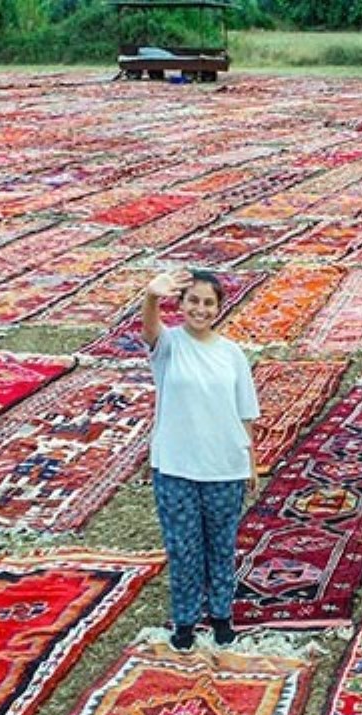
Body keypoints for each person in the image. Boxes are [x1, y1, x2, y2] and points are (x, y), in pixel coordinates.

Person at [142, 267, 260, 652]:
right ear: (181, 304)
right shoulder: (170, 345)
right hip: (175, 466)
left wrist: (251, 461)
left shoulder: (232, 354)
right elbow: (149, 331)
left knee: (221, 545)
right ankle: (186, 620)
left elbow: (245, 412)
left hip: (224, 465)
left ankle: (222, 614)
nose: (200, 309)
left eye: (208, 302)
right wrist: (150, 296)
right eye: (193, 300)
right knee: (183, 547)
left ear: (219, 308)